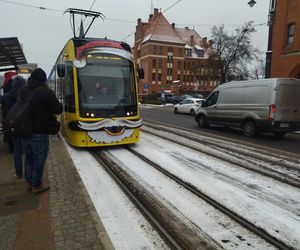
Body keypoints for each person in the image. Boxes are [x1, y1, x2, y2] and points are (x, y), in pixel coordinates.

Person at [23, 68, 63, 194]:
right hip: (39, 132)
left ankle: (29, 182)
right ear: (43, 80)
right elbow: (58, 109)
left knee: (29, 158)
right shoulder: (45, 92)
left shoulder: (24, 91)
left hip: (25, 130)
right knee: (39, 159)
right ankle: (36, 185)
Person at [3, 76, 27, 177]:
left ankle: (18, 173)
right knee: (27, 150)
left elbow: (5, 112)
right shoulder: (25, 95)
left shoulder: (7, 96)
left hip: (13, 125)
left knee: (17, 149)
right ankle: (28, 173)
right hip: (24, 125)